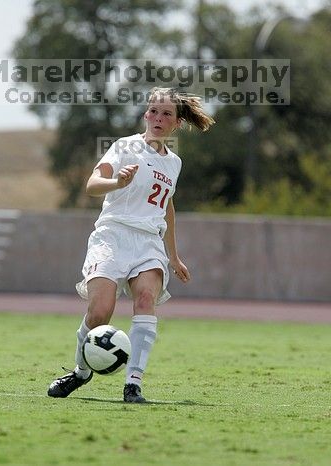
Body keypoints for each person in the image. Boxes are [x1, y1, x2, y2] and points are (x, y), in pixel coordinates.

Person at [47, 87, 215, 403]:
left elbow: (167, 207)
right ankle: (81, 372)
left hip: (147, 242)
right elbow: (93, 185)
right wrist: (117, 182)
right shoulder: (125, 147)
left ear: (177, 123)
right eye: (153, 111)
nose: (158, 118)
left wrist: (173, 256)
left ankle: (133, 384)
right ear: (145, 114)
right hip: (112, 235)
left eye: (166, 114)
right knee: (100, 311)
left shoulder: (174, 163)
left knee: (146, 299)